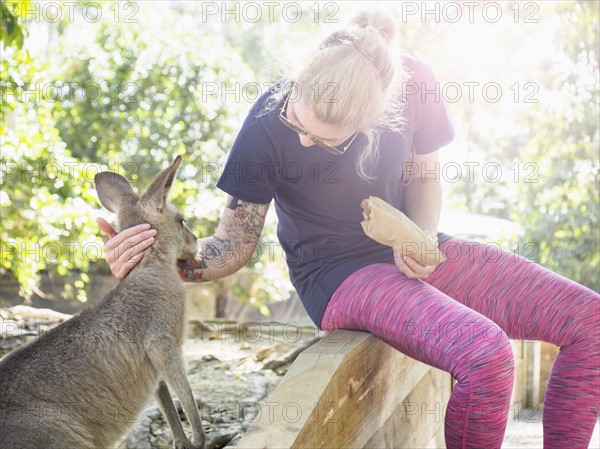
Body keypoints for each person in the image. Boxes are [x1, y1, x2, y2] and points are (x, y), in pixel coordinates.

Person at [97, 9, 599, 449]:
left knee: (591, 322)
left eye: (327, 139)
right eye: (301, 127)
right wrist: (157, 260)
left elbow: (425, 178)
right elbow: (234, 242)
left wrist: (416, 237)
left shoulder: (417, 84)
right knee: (485, 354)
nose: (308, 143)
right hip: (335, 274)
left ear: (377, 116)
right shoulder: (266, 121)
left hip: (411, 249)